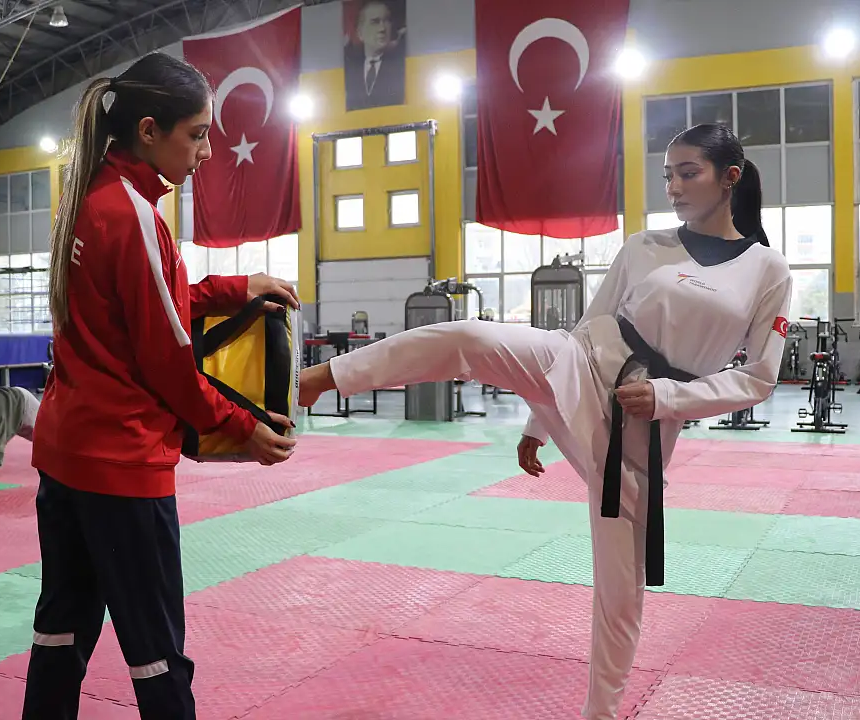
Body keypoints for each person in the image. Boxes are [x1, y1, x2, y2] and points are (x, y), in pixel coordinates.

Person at [298, 124, 793, 720]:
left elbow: (758, 379)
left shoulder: (767, 270)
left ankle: (600, 714)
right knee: (469, 336)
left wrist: (667, 398)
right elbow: (590, 324)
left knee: (621, 589)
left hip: (643, 425)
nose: (674, 188)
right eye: (668, 176)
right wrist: (538, 420)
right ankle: (317, 380)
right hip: (580, 360)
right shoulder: (644, 246)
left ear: (730, 177)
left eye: (689, 174)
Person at [22, 52, 299, 720]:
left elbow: (148, 305)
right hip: (121, 468)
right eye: (197, 134)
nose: (207, 151)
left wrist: (237, 286)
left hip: (66, 456)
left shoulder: (90, 198)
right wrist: (243, 427)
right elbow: (170, 361)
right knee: (157, 655)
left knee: (61, 633)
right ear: (149, 131)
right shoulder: (134, 216)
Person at [343, 0, 406, 111]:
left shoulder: (401, 67)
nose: (382, 29)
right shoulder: (349, 70)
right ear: (360, 33)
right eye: (375, 22)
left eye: (387, 20)